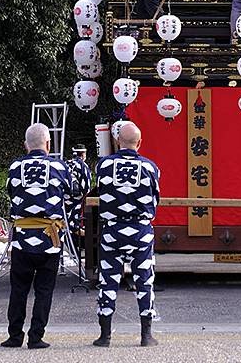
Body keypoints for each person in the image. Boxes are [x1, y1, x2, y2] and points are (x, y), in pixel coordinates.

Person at [1, 123, 75, 349]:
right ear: (49, 144)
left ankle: (14, 336)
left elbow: (11, 192)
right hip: (49, 239)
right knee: (44, 290)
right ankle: (36, 336)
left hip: (22, 239)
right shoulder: (60, 167)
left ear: (26, 145)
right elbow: (71, 193)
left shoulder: (15, 167)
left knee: (19, 288)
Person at [94, 122, 160, 348]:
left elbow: (101, 192)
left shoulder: (103, 166)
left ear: (116, 142)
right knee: (144, 280)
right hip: (141, 229)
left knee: (108, 280)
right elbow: (155, 199)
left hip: (112, 229)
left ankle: (105, 336)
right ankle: (146, 335)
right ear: (139, 143)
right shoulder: (151, 168)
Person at [64, 144, 91, 248]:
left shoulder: (66, 164)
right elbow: (86, 189)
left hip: (65, 203)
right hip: (77, 204)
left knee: (67, 226)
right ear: (83, 154)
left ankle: (71, 251)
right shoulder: (83, 166)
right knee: (77, 227)